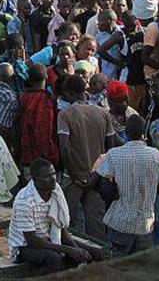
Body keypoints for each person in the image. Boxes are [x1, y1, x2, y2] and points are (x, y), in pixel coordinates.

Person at [8, 158, 103, 275]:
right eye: (47, 176)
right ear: (35, 179)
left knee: (96, 253)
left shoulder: (55, 189)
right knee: (54, 258)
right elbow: (32, 240)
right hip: (25, 247)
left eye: (53, 174)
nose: (53, 179)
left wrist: (77, 249)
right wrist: (68, 249)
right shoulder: (24, 201)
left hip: (50, 238)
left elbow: (59, 225)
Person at [93, 114, 159, 256]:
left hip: (120, 222)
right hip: (145, 225)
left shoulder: (114, 154)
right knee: (140, 267)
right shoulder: (156, 155)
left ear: (126, 133)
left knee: (118, 265)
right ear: (143, 133)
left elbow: (94, 181)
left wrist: (110, 191)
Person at [57, 73, 116, 240]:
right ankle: (98, 258)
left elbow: (64, 147)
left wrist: (75, 175)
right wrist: (100, 174)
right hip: (96, 177)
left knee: (66, 223)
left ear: (69, 93)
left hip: (73, 177)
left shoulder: (65, 114)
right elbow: (110, 148)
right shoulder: (103, 113)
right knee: (96, 225)